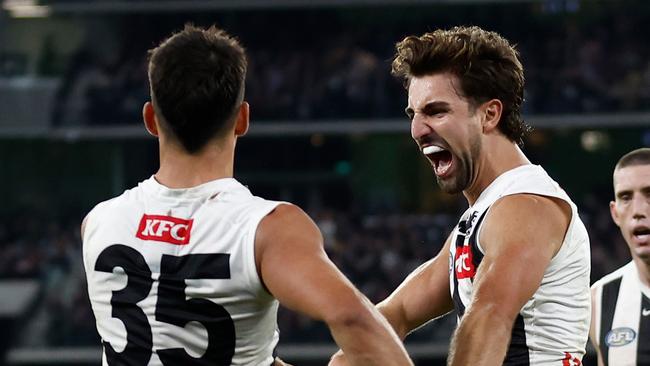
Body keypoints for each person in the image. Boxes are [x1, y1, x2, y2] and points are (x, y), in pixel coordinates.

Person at [81, 24, 412, 366]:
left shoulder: (99, 221)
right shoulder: (268, 228)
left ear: (150, 119)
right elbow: (350, 317)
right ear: (242, 119)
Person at [331, 26, 590, 366]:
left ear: (489, 114)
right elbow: (397, 313)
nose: (417, 130)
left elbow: (489, 316)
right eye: (414, 114)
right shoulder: (481, 218)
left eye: (436, 111)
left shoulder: (527, 206)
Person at [590, 148, 650, 365]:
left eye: (649, 194)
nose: (638, 210)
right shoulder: (599, 298)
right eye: (626, 197)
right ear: (615, 213)